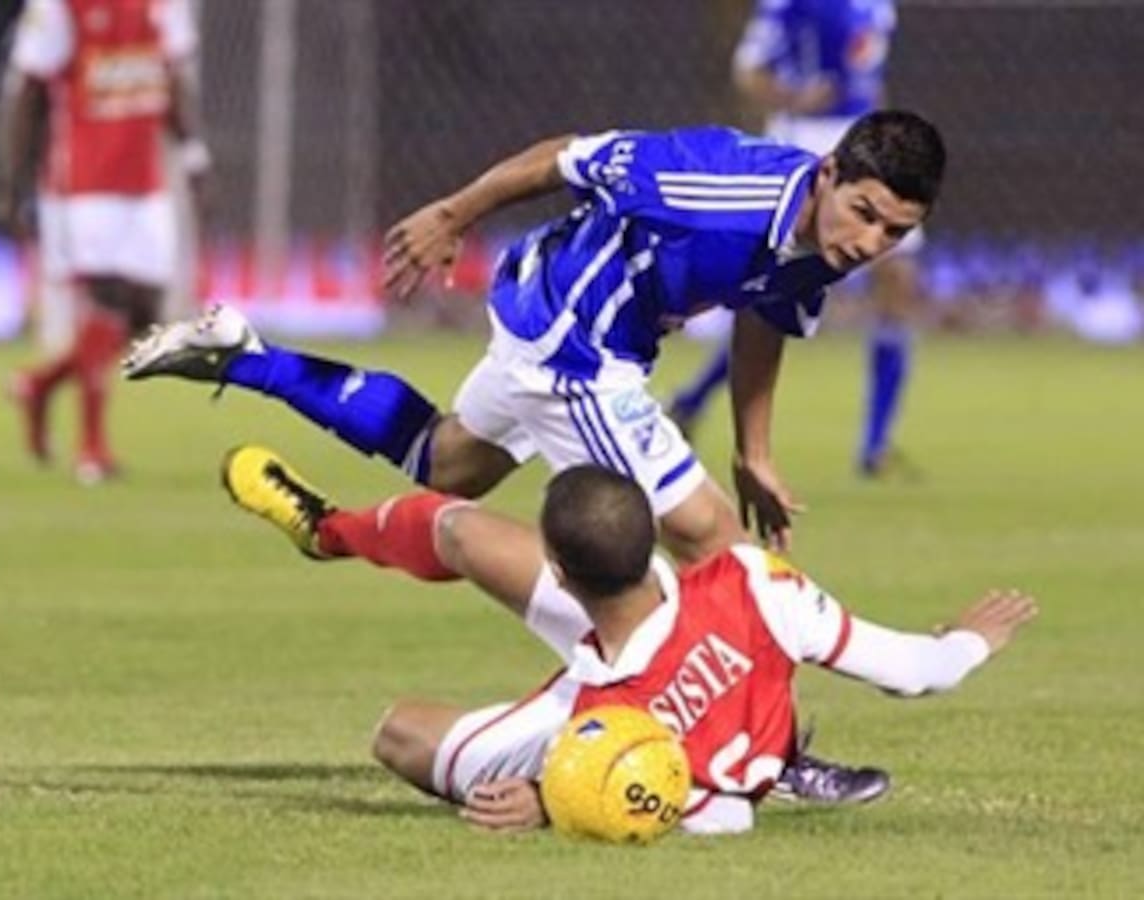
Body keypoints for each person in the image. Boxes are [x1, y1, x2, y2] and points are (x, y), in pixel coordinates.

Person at [124, 110, 945, 800]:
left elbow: (769, 310)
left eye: (896, 231)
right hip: (575, 349)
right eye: (865, 213)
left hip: (552, 326)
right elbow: (567, 158)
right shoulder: (709, 184)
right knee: (723, 554)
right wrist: (453, 213)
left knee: (447, 463)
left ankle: (245, 354)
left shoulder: (827, 240)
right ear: (829, 173)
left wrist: (753, 449)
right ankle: (780, 756)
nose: (871, 240)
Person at [217, 447, 1037, 834]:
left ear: (562, 579)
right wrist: (967, 641)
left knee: (398, 730)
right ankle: (324, 529)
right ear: (652, 539)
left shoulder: (594, 730)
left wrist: (554, 798)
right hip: (659, 629)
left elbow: (714, 817)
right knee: (459, 530)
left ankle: (330, 534)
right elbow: (912, 670)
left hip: (604, 695)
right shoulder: (753, 579)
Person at [667, 0, 923, 477]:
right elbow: (748, 71)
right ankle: (693, 398)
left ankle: (875, 445)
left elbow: (869, 73)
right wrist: (795, 99)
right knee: (775, 291)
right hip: (809, 140)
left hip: (866, 141)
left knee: (900, 283)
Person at [0, 0, 210, 483]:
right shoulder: (58, 7)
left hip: (145, 184)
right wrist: (11, 183)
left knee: (144, 319)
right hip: (81, 187)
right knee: (104, 303)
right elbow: (25, 91)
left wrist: (192, 153)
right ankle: (92, 448)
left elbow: (174, 76)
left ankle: (39, 383)